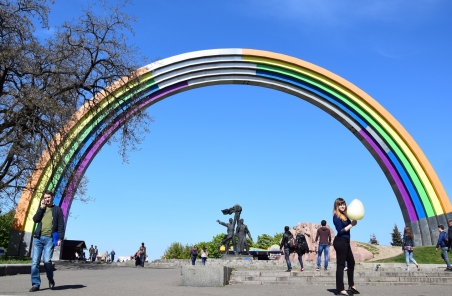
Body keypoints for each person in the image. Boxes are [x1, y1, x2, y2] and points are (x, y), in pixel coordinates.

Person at [29, 190, 65, 292]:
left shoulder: (57, 210)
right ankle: (36, 284)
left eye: (48, 197)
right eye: (45, 198)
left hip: (49, 239)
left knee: (46, 261)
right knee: (35, 262)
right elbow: (35, 219)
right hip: (38, 238)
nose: (47, 199)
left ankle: (50, 278)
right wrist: (41, 208)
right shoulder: (42, 208)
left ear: (52, 197)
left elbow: (61, 225)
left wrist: (60, 238)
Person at [332, 197, 359, 295]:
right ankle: (340, 289)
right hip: (340, 242)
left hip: (346, 242)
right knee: (341, 265)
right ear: (336, 206)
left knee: (351, 263)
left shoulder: (345, 216)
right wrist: (351, 224)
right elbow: (341, 231)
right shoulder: (336, 216)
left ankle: (351, 286)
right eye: (340, 204)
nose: (342, 206)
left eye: (343, 204)